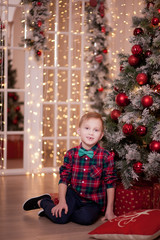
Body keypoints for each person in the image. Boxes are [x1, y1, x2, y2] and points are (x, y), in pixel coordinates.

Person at [23, 112, 117, 225]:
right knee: (60, 219)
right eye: (87, 128)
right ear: (79, 131)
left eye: (96, 130)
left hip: (93, 201)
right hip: (74, 195)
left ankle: (53, 211)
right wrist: (62, 202)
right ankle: (43, 202)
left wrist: (109, 210)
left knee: (85, 220)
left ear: (101, 135)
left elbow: (110, 183)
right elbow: (64, 179)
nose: (91, 133)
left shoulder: (106, 156)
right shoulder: (71, 154)